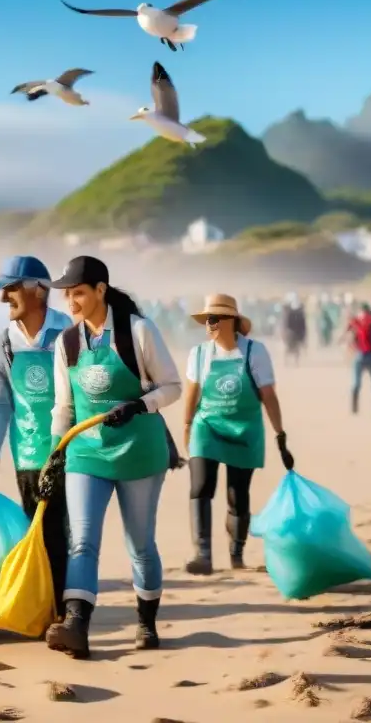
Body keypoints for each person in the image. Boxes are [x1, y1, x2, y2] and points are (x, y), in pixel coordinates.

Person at [42, 256, 182, 660]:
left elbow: (172, 386)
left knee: (140, 545)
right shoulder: (66, 343)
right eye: (68, 294)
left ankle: (146, 621)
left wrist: (139, 405)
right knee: (82, 542)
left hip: (140, 453)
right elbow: (63, 409)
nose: (72, 301)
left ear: (101, 290)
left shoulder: (138, 331)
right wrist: (56, 454)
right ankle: (76, 626)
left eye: (79, 292)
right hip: (86, 453)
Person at [0, 255, 73, 630]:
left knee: (57, 531)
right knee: (31, 529)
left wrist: (64, 447)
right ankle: (37, 604)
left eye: (11, 288)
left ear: (38, 290)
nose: (4, 298)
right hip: (26, 454)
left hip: (68, 449)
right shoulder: (1, 343)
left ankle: (62, 612)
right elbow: (1, 403)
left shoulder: (68, 332)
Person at [182, 295, 293, 575]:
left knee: (237, 494)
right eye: (207, 319)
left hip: (245, 429)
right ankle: (203, 554)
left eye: (215, 318)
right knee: (200, 488)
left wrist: (280, 433)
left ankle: (236, 552)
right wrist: (186, 427)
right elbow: (192, 393)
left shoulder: (255, 352)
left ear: (232, 321)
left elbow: (268, 395)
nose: (210, 324)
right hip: (206, 426)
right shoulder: (199, 354)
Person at [343, 302, 371, 414]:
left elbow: (347, 334)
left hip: (360, 356)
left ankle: (354, 408)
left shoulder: (356, 321)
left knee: (356, 383)